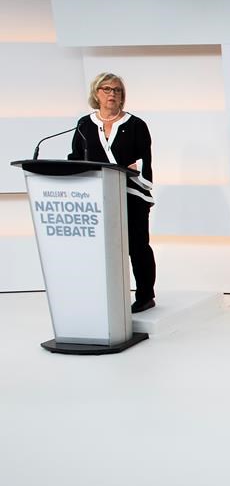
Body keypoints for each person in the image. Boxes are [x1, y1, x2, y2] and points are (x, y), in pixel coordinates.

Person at [71, 73, 157, 313]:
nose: (112, 94)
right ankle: (103, 295)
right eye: (107, 89)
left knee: (137, 245)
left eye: (117, 90)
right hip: (97, 197)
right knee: (101, 249)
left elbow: (145, 161)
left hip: (132, 195)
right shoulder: (84, 125)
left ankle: (145, 295)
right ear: (96, 93)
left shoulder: (135, 125)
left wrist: (137, 174)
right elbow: (76, 158)